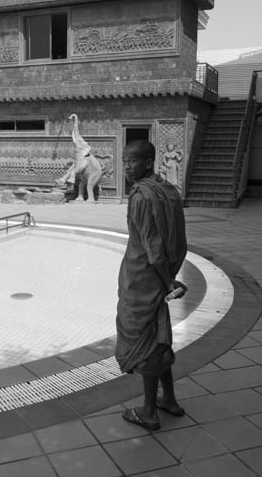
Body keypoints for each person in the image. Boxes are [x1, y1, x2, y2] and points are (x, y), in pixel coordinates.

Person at [116, 140, 187, 431]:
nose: (126, 167)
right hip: (159, 276)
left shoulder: (142, 195)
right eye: (124, 161)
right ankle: (168, 399)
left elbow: (153, 247)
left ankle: (148, 411)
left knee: (144, 342)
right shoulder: (168, 190)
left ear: (148, 162)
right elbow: (180, 240)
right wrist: (171, 273)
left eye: (131, 161)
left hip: (144, 279)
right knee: (159, 337)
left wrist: (166, 280)